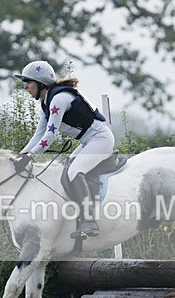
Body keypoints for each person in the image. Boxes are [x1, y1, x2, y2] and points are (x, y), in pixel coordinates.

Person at [13, 60, 115, 238]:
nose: (26, 87)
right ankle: (76, 219)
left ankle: (89, 221)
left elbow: (49, 137)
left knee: (74, 172)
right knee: (64, 169)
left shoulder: (58, 100)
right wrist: (20, 156)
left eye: (28, 82)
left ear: (40, 83)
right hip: (88, 141)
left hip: (100, 139)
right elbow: (39, 135)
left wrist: (30, 156)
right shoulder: (47, 103)